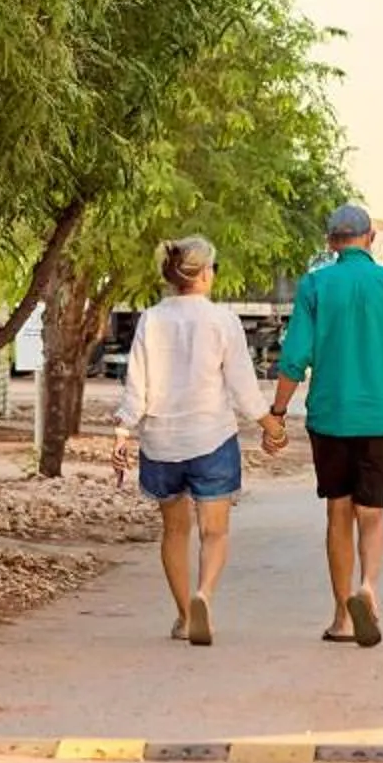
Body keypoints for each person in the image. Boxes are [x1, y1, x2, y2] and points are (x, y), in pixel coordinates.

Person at [261, 202, 383, 648]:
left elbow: (296, 355)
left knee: (338, 510)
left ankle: (342, 617)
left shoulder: (316, 285)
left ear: (332, 243)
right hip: (381, 415)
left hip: (331, 415)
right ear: (370, 238)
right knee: (371, 513)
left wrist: (276, 414)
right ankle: (368, 587)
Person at [115, 234, 267, 647]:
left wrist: (123, 430)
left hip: (161, 441)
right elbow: (241, 385)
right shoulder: (222, 320)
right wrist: (268, 423)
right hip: (211, 438)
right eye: (212, 268)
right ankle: (204, 595)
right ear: (201, 274)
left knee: (174, 531)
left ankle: (184, 615)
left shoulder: (151, 319)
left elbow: (137, 384)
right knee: (214, 532)